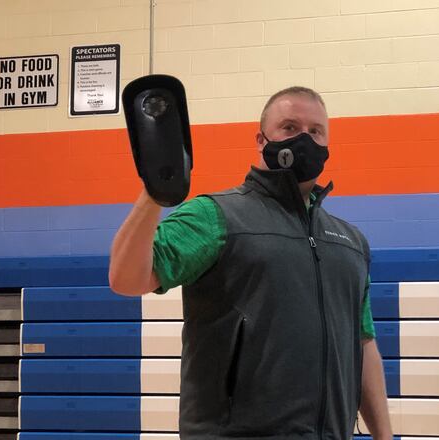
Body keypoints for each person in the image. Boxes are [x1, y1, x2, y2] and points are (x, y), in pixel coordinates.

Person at [109, 86, 392, 439]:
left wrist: (384, 435)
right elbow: (126, 279)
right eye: (289, 127)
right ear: (261, 140)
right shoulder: (215, 216)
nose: (304, 138)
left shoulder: (350, 243)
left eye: (315, 131)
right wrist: (154, 195)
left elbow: (363, 344)